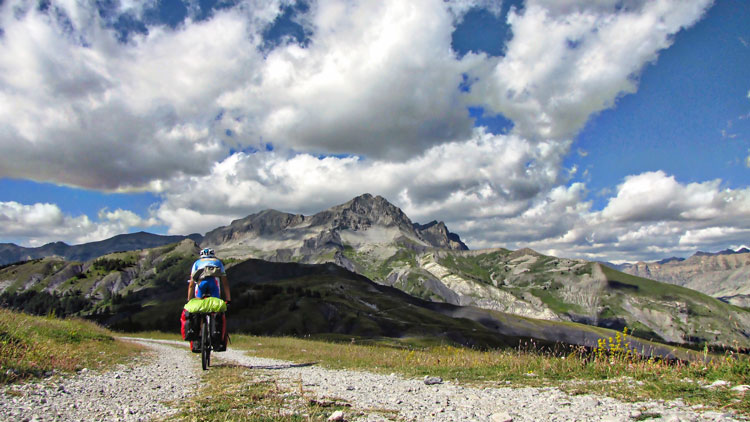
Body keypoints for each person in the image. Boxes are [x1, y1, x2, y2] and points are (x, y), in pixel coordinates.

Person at [186, 247, 231, 352]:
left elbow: (192, 285)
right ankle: (216, 341)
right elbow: (225, 283)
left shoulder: (197, 263)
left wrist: (190, 300)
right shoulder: (218, 262)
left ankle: (197, 341)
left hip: (200, 286)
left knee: (198, 310)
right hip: (214, 286)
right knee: (216, 311)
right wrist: (228, 299)